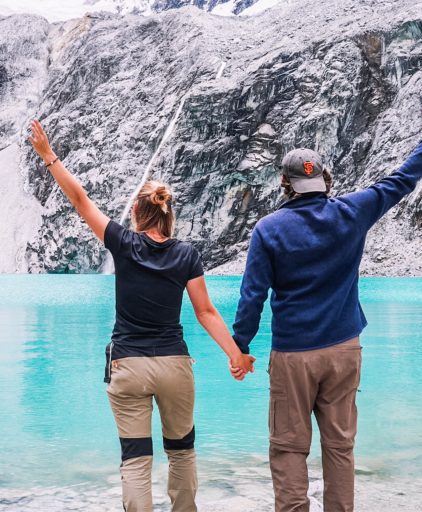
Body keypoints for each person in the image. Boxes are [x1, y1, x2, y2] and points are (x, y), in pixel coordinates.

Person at [231, 94, 422, 512]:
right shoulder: (354, 211)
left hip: (294, 355)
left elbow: (252, 296)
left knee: (288, 449)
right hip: (344, 350)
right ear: (326, 181)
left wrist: (240, 347)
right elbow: (403, 179)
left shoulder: (268, 229)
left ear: (286, 185)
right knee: (339, 447)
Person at [28, 119, 255, 512]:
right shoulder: (186, 255)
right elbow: (205, 312)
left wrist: (49, 156)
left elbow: (81, 200)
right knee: (182, 452)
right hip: (174, 365)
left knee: (136, 459)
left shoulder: (123, 243)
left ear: (137, 210)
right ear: (167, 213)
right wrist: (235, 354)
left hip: (128, 365)